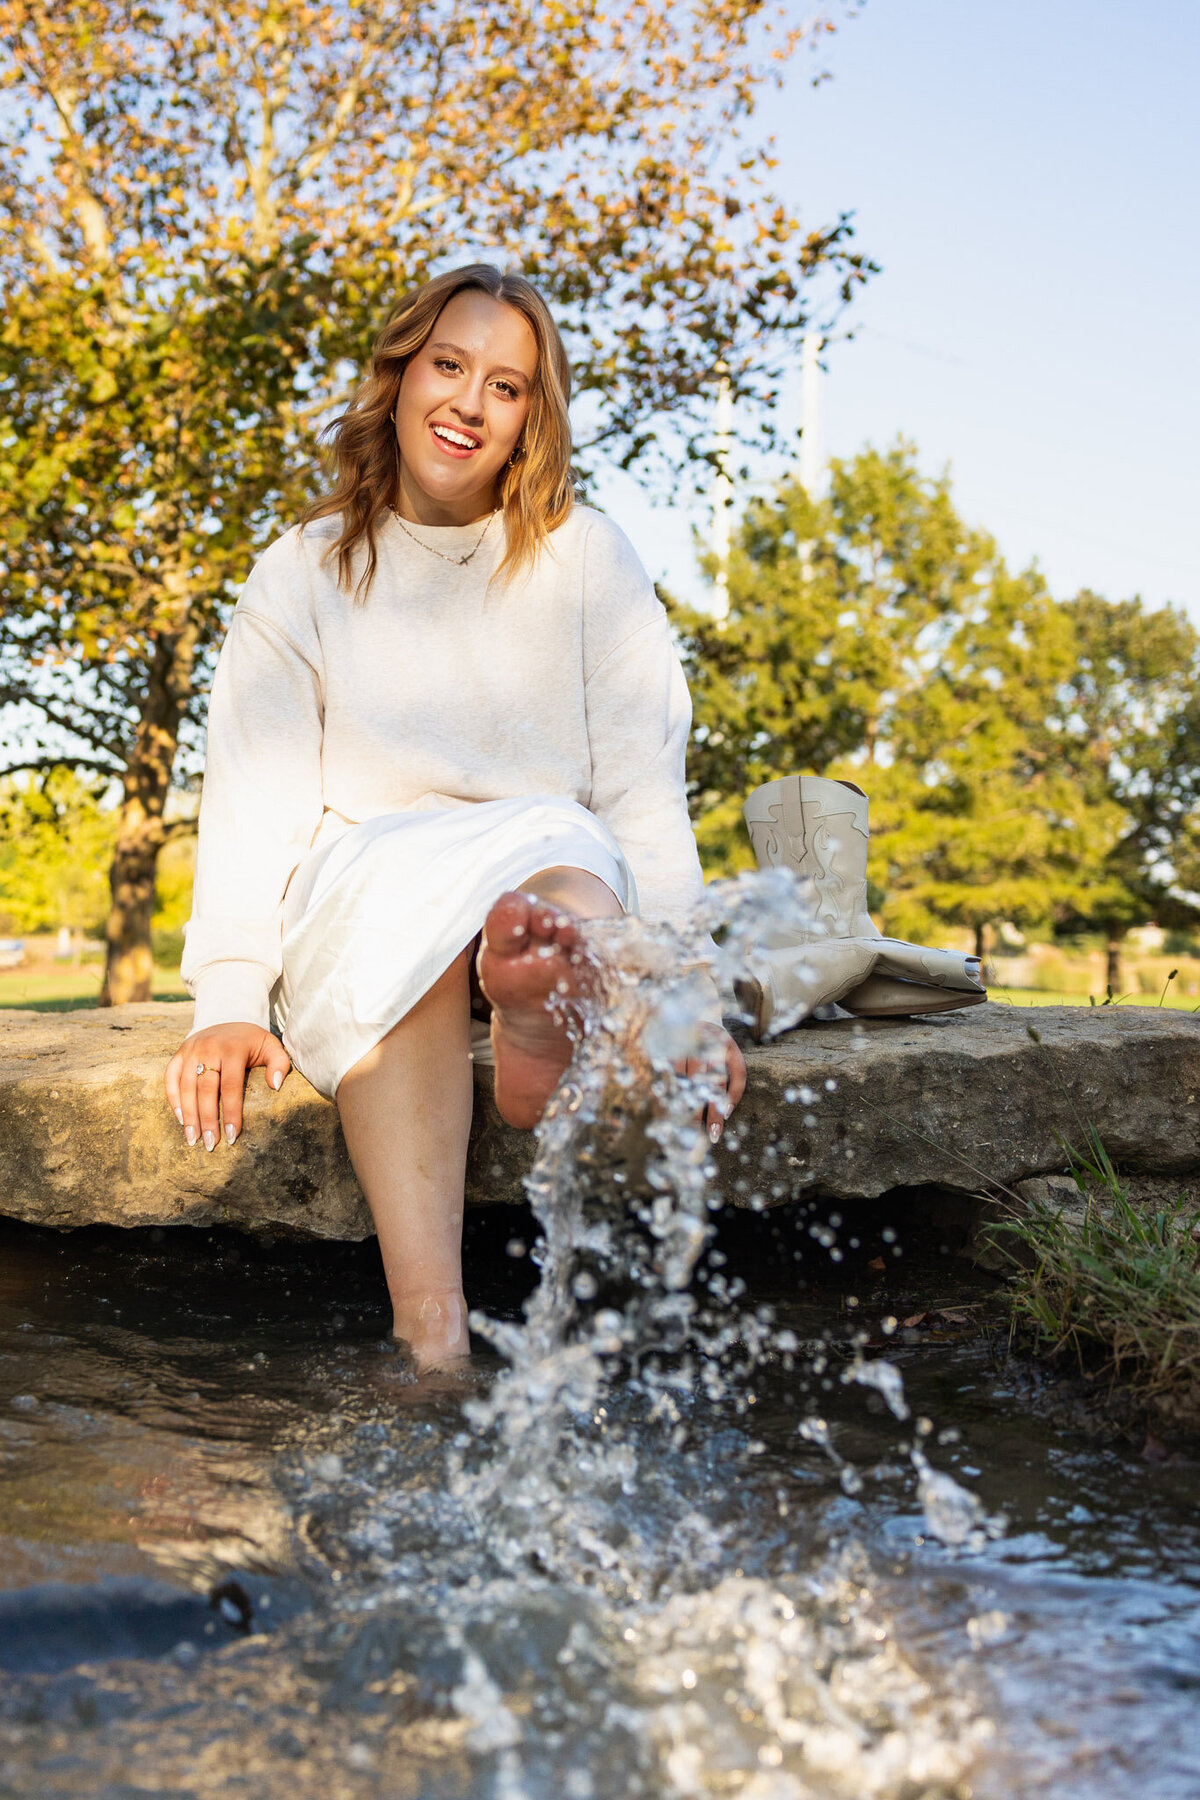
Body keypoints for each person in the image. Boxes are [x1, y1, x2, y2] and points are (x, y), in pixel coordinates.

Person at [165, 264, 746, 1369]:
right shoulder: (305, 568)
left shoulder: (586, 559)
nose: (471, 402)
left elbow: (640, 791)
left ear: (534, 417)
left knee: (569, 861)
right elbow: (254, 793)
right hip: (372, 879)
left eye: (508, 385)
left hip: (543, 866)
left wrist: (683, 992)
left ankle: (537, 1010)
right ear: (398, 376)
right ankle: (435, 1323)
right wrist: (230, 997)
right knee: (418, 928)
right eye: (449, 365)